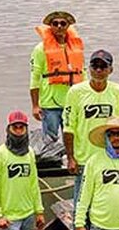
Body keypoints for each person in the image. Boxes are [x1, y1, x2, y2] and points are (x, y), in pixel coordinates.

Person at [63, 49, 119, 230]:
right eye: (95, 66)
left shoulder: (118, 91)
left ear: (111, 69)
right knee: (81, 204)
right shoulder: (76, 92)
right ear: (88, 68)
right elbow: (68, 126)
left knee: (106, 202)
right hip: (84, 159)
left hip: (110, 157)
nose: (99, 70)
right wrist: (71, 156)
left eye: (103, 66)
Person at [0, 111, 45, 230]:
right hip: (9, 217)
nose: (18, 131)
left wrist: (39, 211)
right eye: (15, 127)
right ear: (8, 129)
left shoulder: (30, 153)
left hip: (28, 213)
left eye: (21, 127)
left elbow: (34, 183)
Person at [30, 11, 85, 141]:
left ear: (68, 26)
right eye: (55, 23)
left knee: (73, 137)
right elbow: (34, 77)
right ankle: (50, 161)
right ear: (50, 26)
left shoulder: (76, 48)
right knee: (50, 140)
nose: (59, 26)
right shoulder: (40, 49)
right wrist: (35, 105)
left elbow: (83, 73)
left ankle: (72, 160)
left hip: (71, 102)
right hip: (50, 104)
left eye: (63, 23)